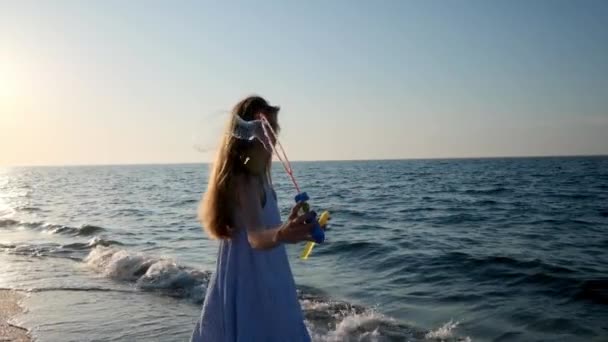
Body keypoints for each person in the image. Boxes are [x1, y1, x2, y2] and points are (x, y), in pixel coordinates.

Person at [190, 96, 316, 341]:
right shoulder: (245, 180)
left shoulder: (256, 178)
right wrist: (281, 233)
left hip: (257, 274)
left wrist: (286, 226)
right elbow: (256, 236)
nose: (272, 136)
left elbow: (260, 226)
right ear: (244, 135)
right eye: (265, 128)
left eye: (274, 128)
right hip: (255, 282)